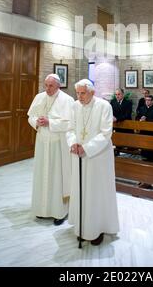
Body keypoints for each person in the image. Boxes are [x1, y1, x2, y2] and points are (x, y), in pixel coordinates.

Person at [67, 79, 119, 246]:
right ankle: (82, 227)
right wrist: (73, 143)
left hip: (98, 157)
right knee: (81, 190)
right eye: (78, 93)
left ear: (92, 93)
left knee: (96, 192)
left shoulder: (104, 106)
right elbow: (70, 128)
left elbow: (105, 134)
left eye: (83, 93)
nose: (80, 97)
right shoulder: (75, 106)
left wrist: (87, 148)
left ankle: (97, 228)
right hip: (79, 155)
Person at [27, 74, 74, 225]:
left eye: (51, 86)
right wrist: (37, 122)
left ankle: (60, 212)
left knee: (56, 177)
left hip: (57, 144)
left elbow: (70, 124)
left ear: (58, 86)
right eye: (46, 85)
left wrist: (50, 122)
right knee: (42, 175)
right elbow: (30, 116)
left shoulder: (67, 100)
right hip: (42, 142)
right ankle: (42, 209)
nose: (47, 89)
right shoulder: (39, 97)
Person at [136, 95, 153, 164]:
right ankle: (144, 156)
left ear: (152, 101)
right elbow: (136, 118)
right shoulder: (141, 109)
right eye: (146, 100)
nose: (147, 101)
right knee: (144, 144)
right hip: (143, 130)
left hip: (152, 132)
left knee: (151, 145)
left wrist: (146, 120)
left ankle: (152, 157)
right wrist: (140, 119)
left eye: (149, 100)